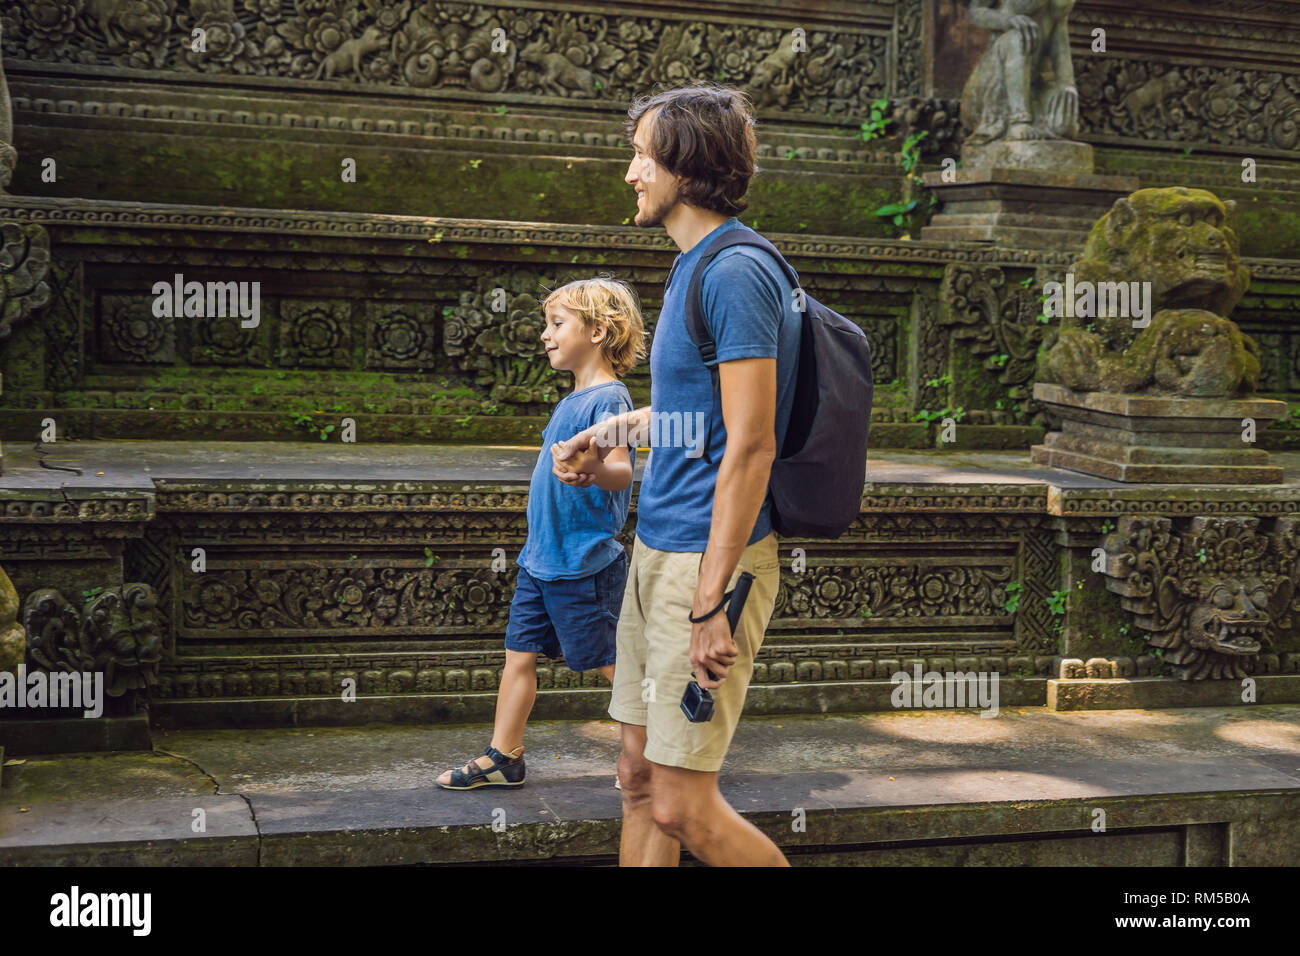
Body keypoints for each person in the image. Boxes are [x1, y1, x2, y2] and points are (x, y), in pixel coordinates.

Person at [552, 85, 800, 865]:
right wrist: (612, 429)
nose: (630, 173)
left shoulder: (735, 272)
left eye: (643, 155)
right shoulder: (692, 268)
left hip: (707, 565)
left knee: (684, 804)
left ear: (687, 168)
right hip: (657, 549)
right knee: (636, 779)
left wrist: (709, 604)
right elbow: (701, 419)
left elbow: (751, 445)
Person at [437, 276, 645, 790]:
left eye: (557, 324)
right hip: (541, 560)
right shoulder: (572, 399)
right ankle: (504, 755)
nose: (545, 336)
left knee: (612, 663)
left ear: (597, 330)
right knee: (519, 655)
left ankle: (654, 756)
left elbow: (622, 471)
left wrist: (595, 471)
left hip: (584, 562)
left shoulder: (610, 400)